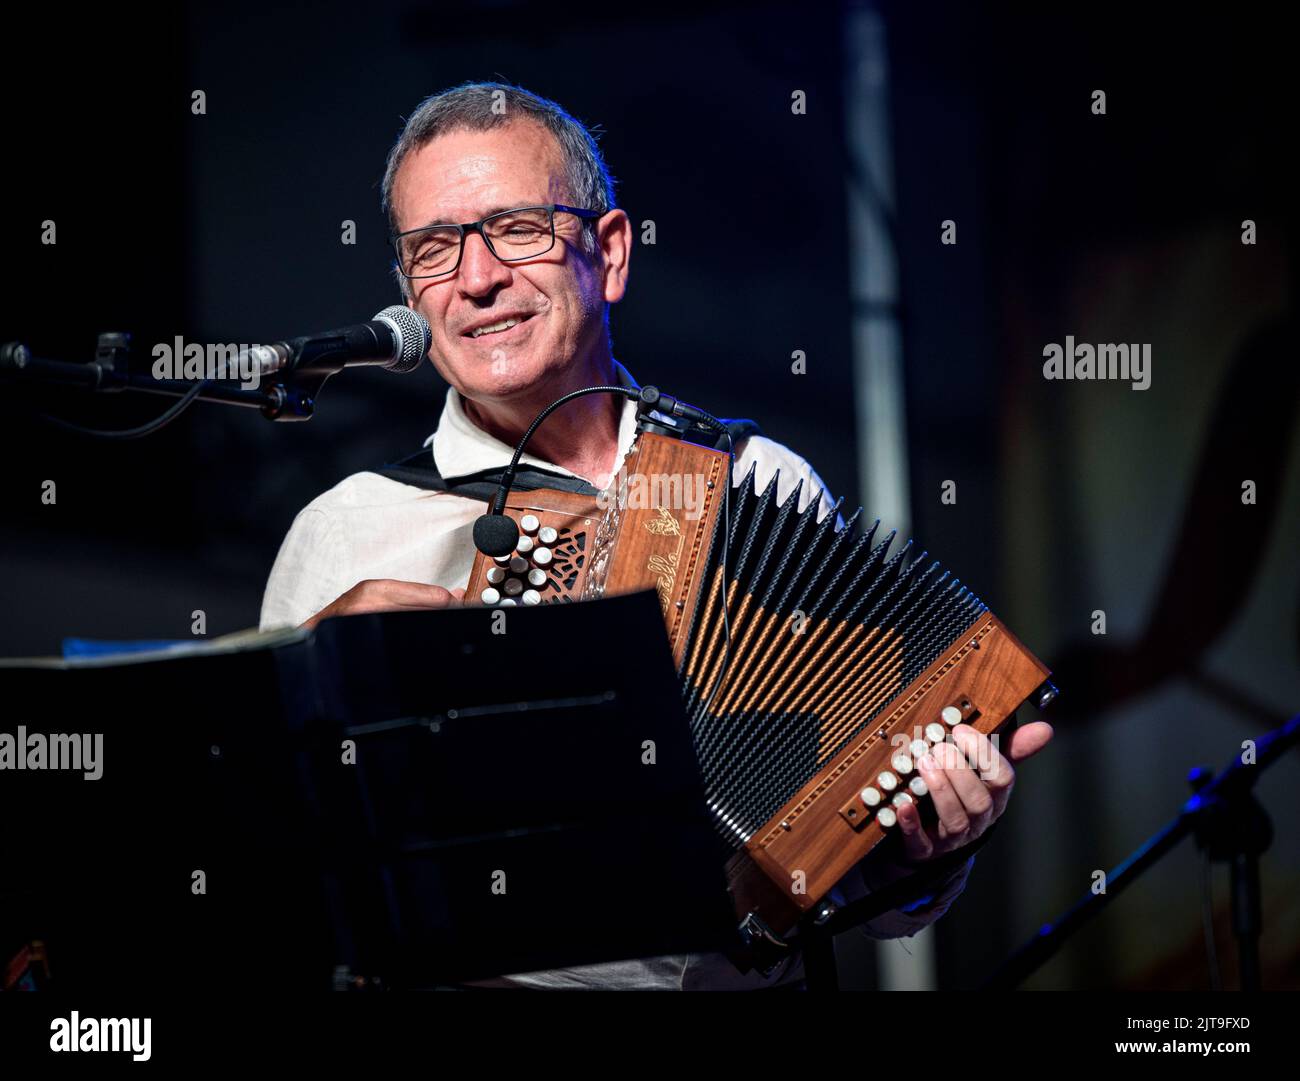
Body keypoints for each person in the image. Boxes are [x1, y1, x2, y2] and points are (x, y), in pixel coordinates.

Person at [260, 81, 1053, 989]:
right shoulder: (344, 533)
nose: (476, 278)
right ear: (408, 293)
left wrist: (927, 851)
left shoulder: (761, 481)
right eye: (434, 250)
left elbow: (839, 859)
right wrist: (309, 732)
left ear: (610, 251)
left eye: (515, 228)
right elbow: (266, 884)